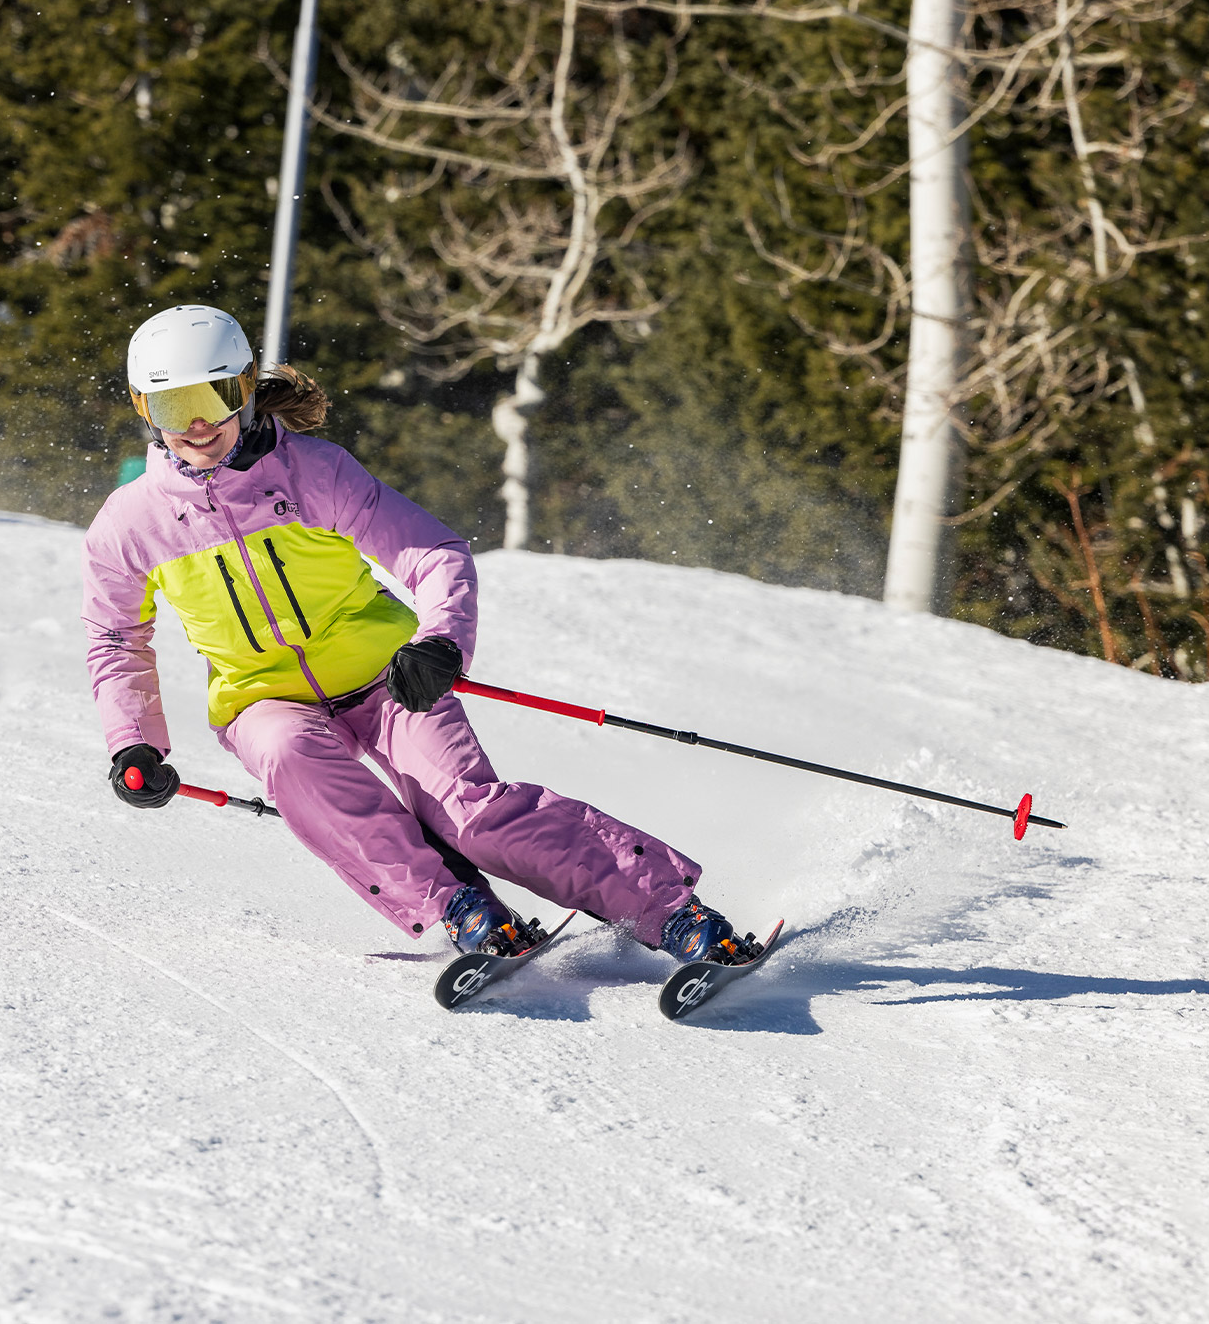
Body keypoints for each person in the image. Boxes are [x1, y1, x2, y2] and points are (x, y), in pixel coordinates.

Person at [81, 304, 759, 965]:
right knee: (289, 753)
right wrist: (133, 742)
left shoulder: (314, 472)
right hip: (262, 699)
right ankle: (458, 907)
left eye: (213, 396)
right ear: (146, 411)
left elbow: (430, 553)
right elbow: (117, 639)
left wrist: (440, 641)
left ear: (245, 390)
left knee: (471, 816)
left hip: (388, 677)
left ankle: (673, 911)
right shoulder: (130, 522)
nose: (197, 425)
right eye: (172, 408)